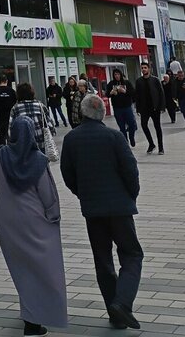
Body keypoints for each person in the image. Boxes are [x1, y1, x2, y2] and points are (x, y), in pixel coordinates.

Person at [60, 95, 143, 331]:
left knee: (102, 259)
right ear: (103, 113)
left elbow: (68, 174)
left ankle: (114, 311)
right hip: (119, 208)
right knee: (131, 254)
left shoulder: (71, 139)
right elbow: (130, 170)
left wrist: (82, 193)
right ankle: (123, 303)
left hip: (93, 209)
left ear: (82, 113)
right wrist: (131, 195)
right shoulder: (114, 136)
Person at [0, 116, 67, 335]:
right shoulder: (38, 160)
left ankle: (29, 311)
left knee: (21, 267)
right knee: (43, 269)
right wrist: (54, 217)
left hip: (6, 221)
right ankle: (35, 319)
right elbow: (48, 195)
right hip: (35, 223)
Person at [8, 82, 59, 160]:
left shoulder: (16, 108)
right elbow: (49, 124)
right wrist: (52, 132)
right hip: (40, 143)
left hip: (24, 144)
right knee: (42, 167)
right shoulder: (40, 106)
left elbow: (11, 128)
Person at [134, 62, 165, 155]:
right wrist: (138, 108)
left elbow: (161, 93)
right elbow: (137, 96)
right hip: (144, 108)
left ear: (149, 69)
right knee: (144, 125)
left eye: (145, 68)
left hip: (155, 108)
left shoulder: (155, 80)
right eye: (142, 68)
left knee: (157, 127)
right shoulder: (139, 81)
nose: (143, 69)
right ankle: (151, 144)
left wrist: (162, 106)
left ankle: (161, 147)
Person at [106, 69, 137, 147]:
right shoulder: (111, 84)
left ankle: (131, 137)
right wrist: (111, 93)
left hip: (127, 107)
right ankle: (125, 141)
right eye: (115, 74)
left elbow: (133, 93)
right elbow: (107, 94)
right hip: (117, 108)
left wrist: (125, 91)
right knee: (121, 126)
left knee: (132, 124)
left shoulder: (126, 83)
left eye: (118, 74)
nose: (117, 76)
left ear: (121, 74)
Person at [0, 75, 18, 145]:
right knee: (9, 135)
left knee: (1, 136)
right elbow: (16, 105)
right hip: (10, 117)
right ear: (7, 81)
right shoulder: (12, 92)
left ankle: (2, 150)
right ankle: (10, 148)